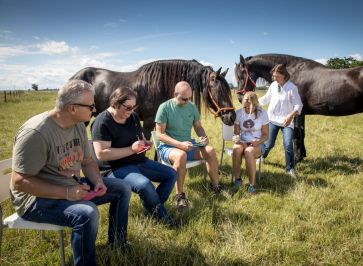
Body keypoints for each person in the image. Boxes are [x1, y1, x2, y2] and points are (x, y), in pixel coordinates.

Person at [10, 80, 132, 266]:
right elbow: (19, 181)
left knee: (122, 188)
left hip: (68, 186)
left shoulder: (78, 125)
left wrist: (98, 180)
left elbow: (88, 161)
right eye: (91, 106)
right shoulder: (36, 133)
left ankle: (118, 244)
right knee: (87, 213)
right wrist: (67, 193)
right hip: (34, 200)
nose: (94, 110)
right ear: (73, 108)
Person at [91, 87, 177, 226]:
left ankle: (152, 209)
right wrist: (131, 149)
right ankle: (165, 219)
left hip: (139, 161)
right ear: (115, 103)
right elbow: (101, 154)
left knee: (171, 174)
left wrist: (145, 143)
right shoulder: (102, 122)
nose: (131, 111)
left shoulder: (133, 116)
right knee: (144, 185)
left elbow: (140, 137)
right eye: (128, 107)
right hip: (115, 167)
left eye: (134, 107)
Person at [155, 81, 222, 210]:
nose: (187, 101)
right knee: (181, 156)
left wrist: (203, 136)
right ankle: (179, 196)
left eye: (189, 98)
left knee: (210, 150)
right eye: (184, 99)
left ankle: (216, 186)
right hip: (169, 147)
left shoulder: (191, 107)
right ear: (175, 94)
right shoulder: (164, 107)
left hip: (188, 145)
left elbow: (198, 127)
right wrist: (179, 144)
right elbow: (160, 135)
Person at [259, 64, 303, 178]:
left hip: (286, 122)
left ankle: (290, 169)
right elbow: (266, 99)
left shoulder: (292, 88)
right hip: (272, 120)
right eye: (273, 76)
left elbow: (299, 105)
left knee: (288, 144)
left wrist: (290, 116)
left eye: (276, 76)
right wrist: (253, 100)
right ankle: (261, 157)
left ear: (283, 75)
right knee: (268, 144)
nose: (274, 78)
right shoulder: (273, 85)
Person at [232, 92, 269, 195]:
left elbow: (266, 135)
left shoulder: (262, 113)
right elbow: (236, 133)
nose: (248, 110)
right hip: (243, 142)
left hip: (258, 143)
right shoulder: (238, 113)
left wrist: (258, 141)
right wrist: (237, 139)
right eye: (246, 108)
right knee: (236, 149)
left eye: (251, 107)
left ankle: (252, 185)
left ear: (256, 104)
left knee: (248, 152)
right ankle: (237, 180)